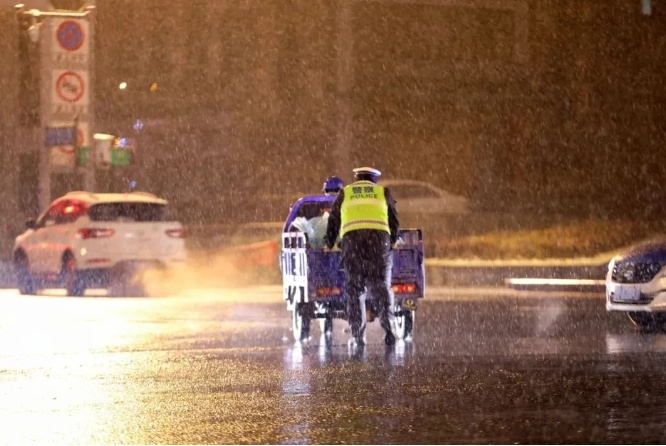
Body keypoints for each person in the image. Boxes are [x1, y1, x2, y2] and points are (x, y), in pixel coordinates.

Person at [324, 166, 400, 346]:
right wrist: (394, 239)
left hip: (352, 246)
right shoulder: (382, 192)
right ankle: (389, 330)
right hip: (379, 246)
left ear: (357, 178)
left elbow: (333, 220)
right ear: (374, 180)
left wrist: (329, 242)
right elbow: (394, 220)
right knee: (381, 288)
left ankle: (358, 336)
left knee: (355, 290)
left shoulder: (346, 193)